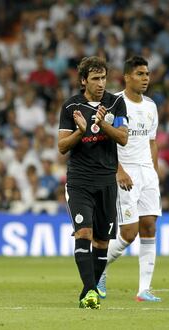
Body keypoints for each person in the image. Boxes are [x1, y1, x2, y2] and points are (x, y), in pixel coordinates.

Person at [58, 56, 128, 309]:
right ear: (83, 80)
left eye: (103, 78)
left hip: (106, 180)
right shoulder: (70, 107)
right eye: (95, 78)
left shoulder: (116, 103)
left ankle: (89, 290)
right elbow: (62, 146)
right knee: (84, 233)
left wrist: (102, 125)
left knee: (102, 241)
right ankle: (90, 291)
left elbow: (123, 138)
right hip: (79, 181)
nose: (101, 83)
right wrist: (80, 130)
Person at [96, 56, 162, 302]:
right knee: (128, 232)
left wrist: (153, 172)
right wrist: (118, 170)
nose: (145, 78)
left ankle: (144, 289)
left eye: (147, 74)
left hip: (147, 173)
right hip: (125, 172)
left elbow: (152, 142)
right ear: (127, 77)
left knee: (149, 227)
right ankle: (98, 269)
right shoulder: (113, 103)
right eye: (140, 74)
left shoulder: (151, 106)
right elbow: (104, 142)